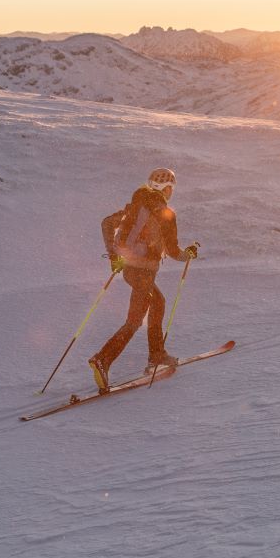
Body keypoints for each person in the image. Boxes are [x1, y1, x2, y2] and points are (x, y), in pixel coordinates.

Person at [90, 167, 199, 393]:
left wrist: (114, 255)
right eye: (170, 188)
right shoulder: (165, 213)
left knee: (158, 302)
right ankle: (102, 359)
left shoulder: (135, 204)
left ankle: (156, 354)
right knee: (134, 321)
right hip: (144, 272)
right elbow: (172, 251)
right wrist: (188, 255)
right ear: (165, 189)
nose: (171, 192)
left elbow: (106, 223)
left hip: (129, 269)